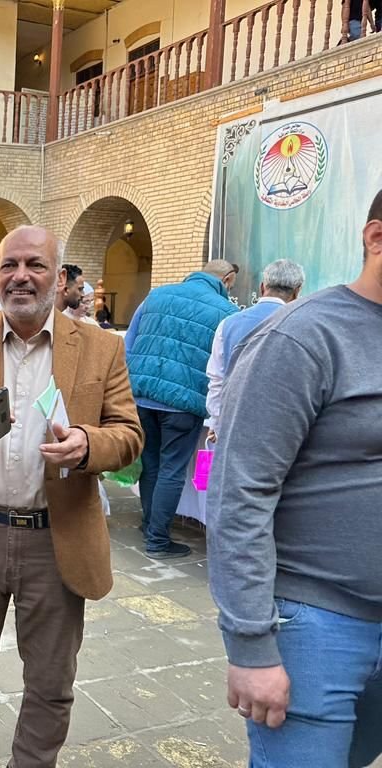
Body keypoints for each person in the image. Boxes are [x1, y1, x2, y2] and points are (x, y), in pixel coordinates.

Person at [0, 226, 143, 767]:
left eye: (35, 265)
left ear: (59, 278)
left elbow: (129, 435)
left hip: (56, 541)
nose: (21, 276)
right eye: (9, 265)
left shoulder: (101, 347)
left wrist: (88, 444)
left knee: (50, 683)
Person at [206, 190, 382, 768]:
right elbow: (240, 493)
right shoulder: (303, 337)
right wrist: (251, 646)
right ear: (376, 239)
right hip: (318, 624)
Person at [124, 259, 238, 558]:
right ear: (226, 279)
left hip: (142, 395)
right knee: (172, 469)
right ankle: (158, 540)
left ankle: (149, 524)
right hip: (183, 403)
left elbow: (129, 344)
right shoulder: (227, 312)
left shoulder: (156, 296)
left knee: (151, 463)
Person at [205, 258, 305, 441]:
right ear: (297, 291)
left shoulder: (228, 324)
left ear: (262, 287)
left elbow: (217, 379)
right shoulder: (304, 327)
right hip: (281, 431)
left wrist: (217, 423)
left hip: (234, 425)